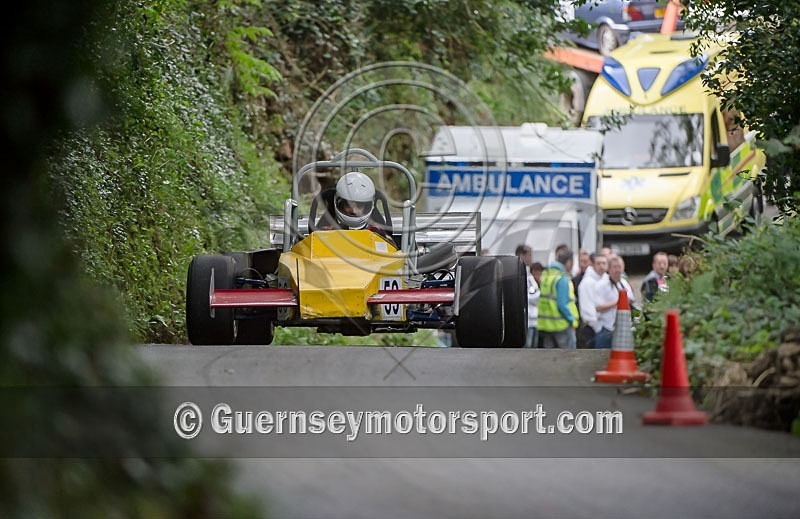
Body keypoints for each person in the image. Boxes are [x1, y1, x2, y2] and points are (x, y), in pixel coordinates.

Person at [317, 171, 394, 244]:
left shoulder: (378, 234)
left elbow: (390, 254)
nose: (353, 211)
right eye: (348, 205)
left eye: (359, 205)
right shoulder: (324, 234)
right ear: (339, 203)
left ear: (368, 206)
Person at [537, 247, 579, 349]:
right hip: (561, 325)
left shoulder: (547, 275)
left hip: (546, 326)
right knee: (567, 359)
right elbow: (562, 304)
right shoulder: (561, 279)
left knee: (549, 359)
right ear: (569, 262)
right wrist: (572, 320)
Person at [595, 255, 637, 349]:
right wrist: (618, 303)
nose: (617, 270)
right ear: (609, 269)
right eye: (615, 267)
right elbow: (597, 307)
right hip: (606, 329)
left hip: (623, 329)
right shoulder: (601, 285)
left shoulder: (625, 283)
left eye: (619, 267)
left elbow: (632, 300)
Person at [577, 252, 608, 349]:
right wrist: (597, 327)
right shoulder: (587, 283)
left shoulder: (607, 280)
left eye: (604, 263)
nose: (601, 266)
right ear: (593, 265)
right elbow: (587, 309)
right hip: (592, 329)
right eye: (598, 263)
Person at [515, 245, 539, 348]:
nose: (531, 258)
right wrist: (535, 295)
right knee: (526, 349)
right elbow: (527, 297)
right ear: (521, 255)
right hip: (526, 321)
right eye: (529, 255)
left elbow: (536, 293)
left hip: (534, 320)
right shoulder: (517, 274)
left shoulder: (528, 275)